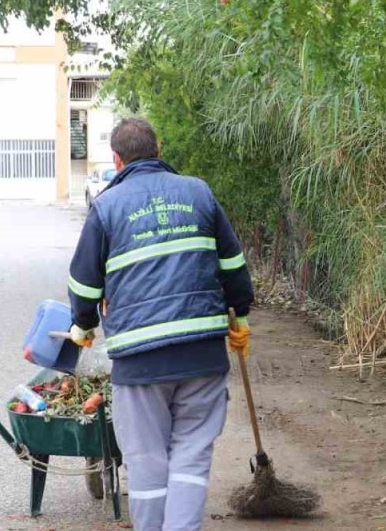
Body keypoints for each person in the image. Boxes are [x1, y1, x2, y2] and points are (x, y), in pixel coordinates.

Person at [66, 117, 254, 531]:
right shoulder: (198, 193)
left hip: (139, 362)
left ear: (116, 160)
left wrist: (83, 325)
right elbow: (234, 266)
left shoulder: (107, 207)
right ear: (159, 147)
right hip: (202, 353)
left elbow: (83, 283)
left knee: (147, 460)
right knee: (192, 454)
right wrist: (240, 315)